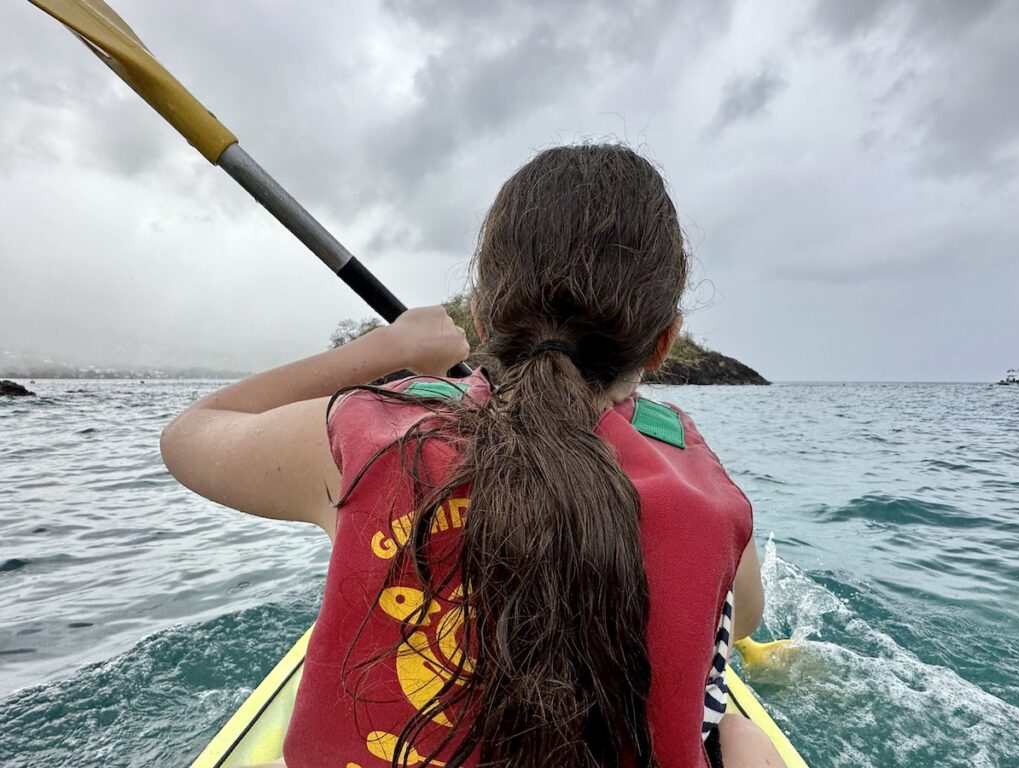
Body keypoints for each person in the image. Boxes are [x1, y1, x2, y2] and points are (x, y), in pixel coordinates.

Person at [161, 144, 785, 768]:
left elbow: (192, 432)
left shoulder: (370, 439)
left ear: (483, 318)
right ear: (662, 344)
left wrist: (388, 347)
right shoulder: (702, 488)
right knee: (740, 739)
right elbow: (745, 616)